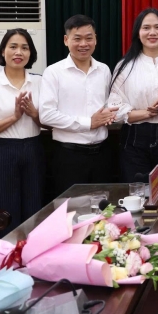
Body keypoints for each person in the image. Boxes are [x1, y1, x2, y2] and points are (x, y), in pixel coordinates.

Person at [0, 28, 43, 235]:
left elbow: (51, 122)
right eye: (13, 47)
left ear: (31, 53)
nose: (18, 52)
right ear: (3, 51)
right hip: (1, 151)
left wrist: (33, 114)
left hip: (34, 149)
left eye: (24, 48)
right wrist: (13, 117)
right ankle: (5, 252)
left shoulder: (40, 81)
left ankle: (31, 252)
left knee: (34, 208)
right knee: (4, 211)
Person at [109, 8, 158, 185]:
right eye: (146, 28)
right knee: (136, 192)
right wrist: (147, 113)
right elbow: (114, 106)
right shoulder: (124, 66)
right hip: (135, 138)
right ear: (138, 32)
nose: (152, 32)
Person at [39, 15, 116, 192]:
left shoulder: (104, 70)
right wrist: (89, 123)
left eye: (89, 38)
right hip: (69, 156)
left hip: (102, 153)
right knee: (71, 207)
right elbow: (47, 115)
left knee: (103, 205)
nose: (84, 44)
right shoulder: (53, 72)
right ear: (66, 40)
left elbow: (108, 104)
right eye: (77, 38)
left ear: (96, 39)